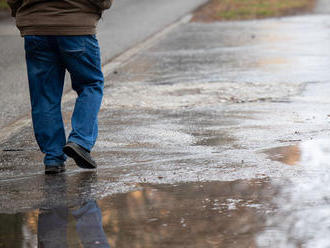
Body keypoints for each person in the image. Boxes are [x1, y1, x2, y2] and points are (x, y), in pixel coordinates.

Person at [6, 0, 112, 174]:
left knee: (44, 95)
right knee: (90, 84)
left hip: (36, 27)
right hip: (77, 26)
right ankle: (80, 141)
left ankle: (53, 158)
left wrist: (24, 11)